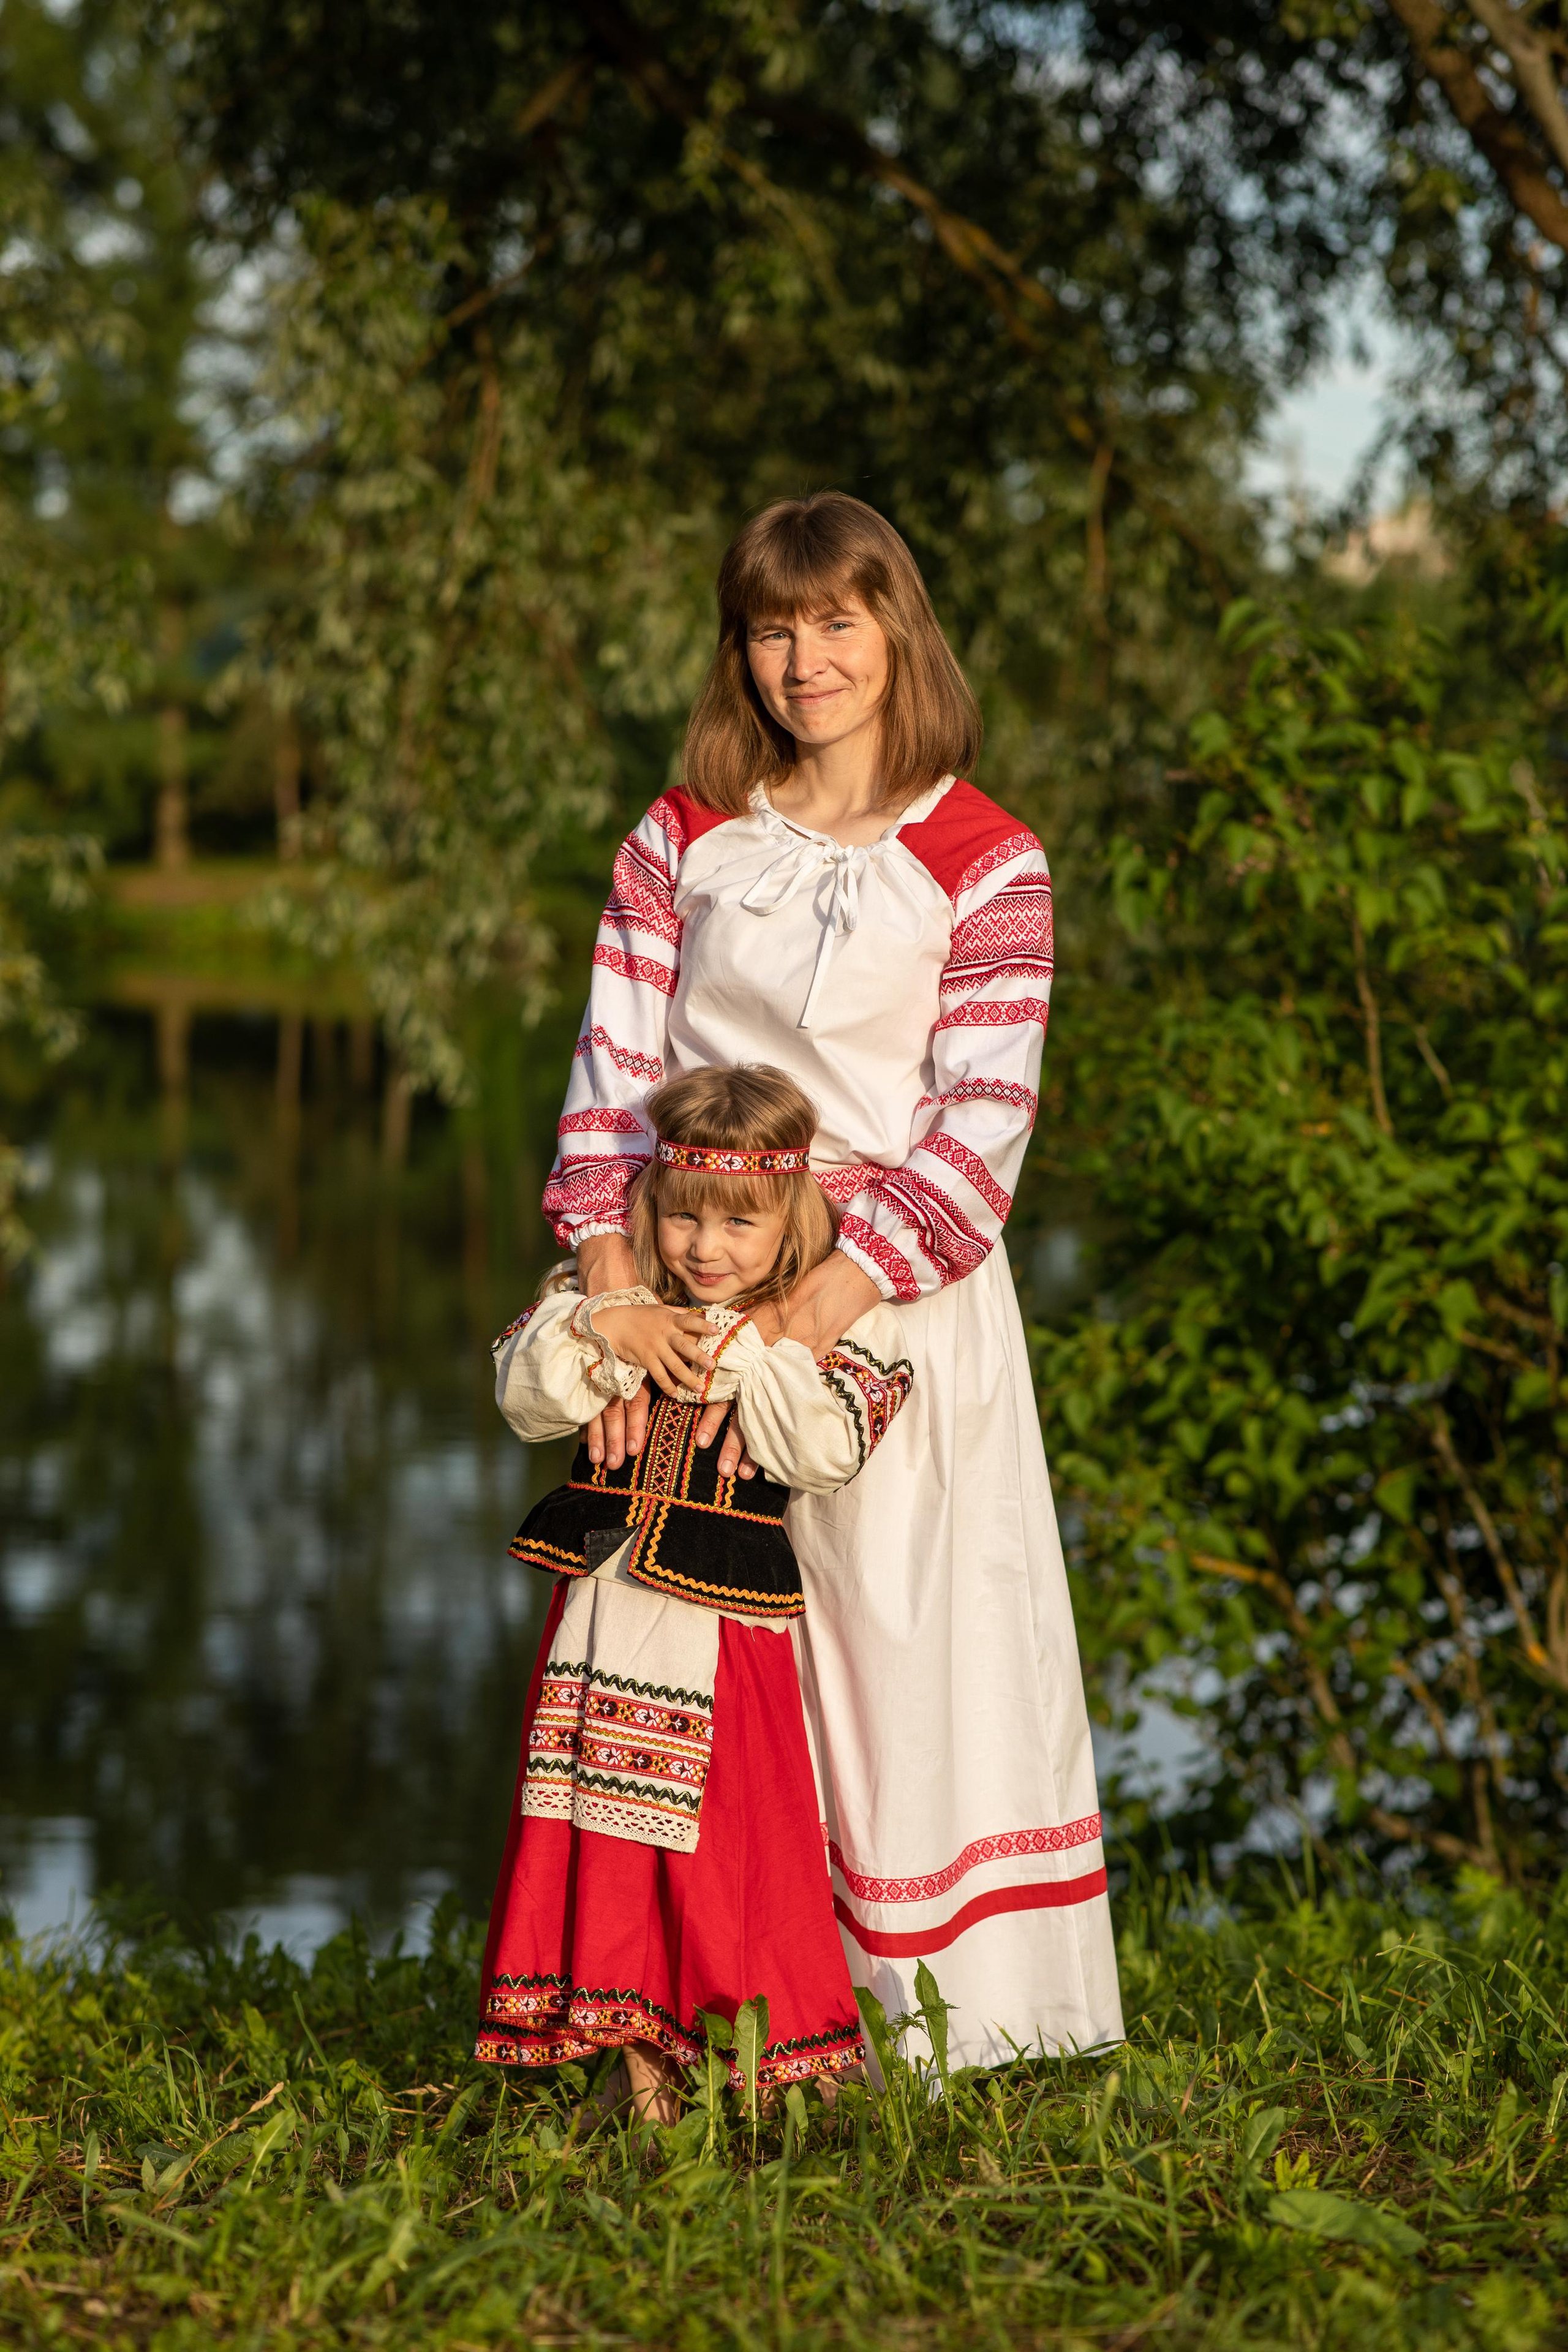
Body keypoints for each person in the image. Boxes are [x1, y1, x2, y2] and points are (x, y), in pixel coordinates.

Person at [545, 491, 1124, 2070]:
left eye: (835, 621)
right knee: (700, 1652)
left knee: (896, 1644)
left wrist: (779, 1348)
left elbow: (976, 1137)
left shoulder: (986, 855)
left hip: (888, 1306)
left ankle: (932, 2027)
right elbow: (609, 1083)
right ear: (739, 647)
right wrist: (618, 1319)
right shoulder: (682, 837)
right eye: (771, 626)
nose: (803, 660)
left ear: (895, 631)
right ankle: (719, 2009)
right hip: (688, 1271)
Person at [476, 1063, 915, 2123]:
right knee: (608, 1834)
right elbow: (524, 1398)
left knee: (722, 1845)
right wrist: (600, 1325)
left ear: (791, 1221)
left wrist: (763, 1351)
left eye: (739, 1226)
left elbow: (828, 1448)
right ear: (652, 1207)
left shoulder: (821, 1336)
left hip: (724, 1632)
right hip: (605, 1610)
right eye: (682, 1218)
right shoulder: (613, 1308)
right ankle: (637, 2074)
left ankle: (739, 2058)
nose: (705, 1249)